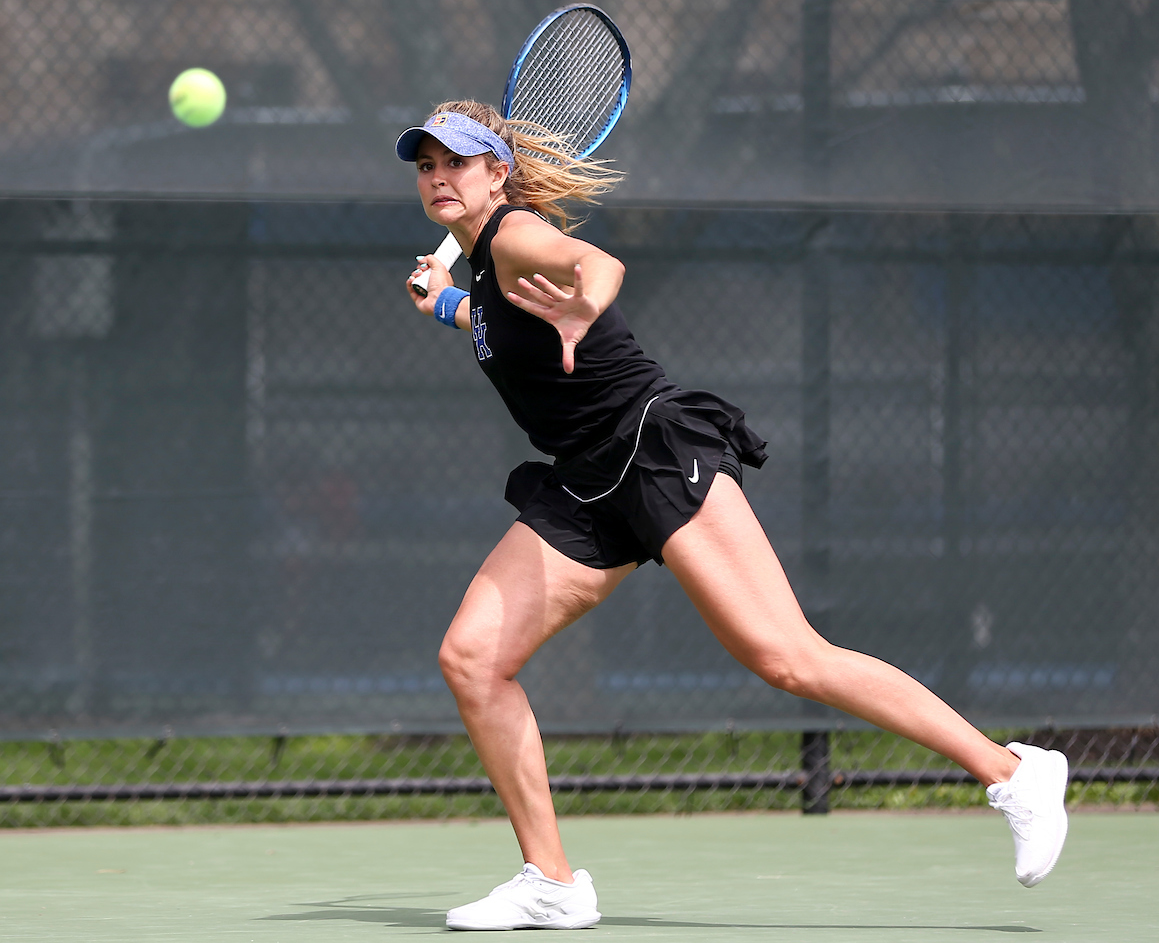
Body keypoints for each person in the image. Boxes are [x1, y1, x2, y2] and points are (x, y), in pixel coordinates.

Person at [396, 101, 1069, 932]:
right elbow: (496, 326)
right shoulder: (485, 271)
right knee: (472, 660)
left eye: (456, 162)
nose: (438, 178)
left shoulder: (513, 237)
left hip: (650, 447)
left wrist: (585, 305)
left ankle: (1013, 773)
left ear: (497, 172)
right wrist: (442, 303)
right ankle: (553, 883)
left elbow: (594, 263)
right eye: (426, 166)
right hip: (587, 483)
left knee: (789, 658)